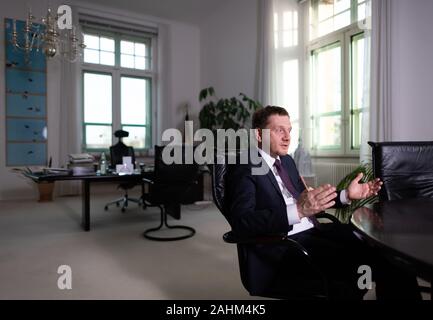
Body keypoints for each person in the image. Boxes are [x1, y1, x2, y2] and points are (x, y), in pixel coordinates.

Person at [225, 106, 421, 300]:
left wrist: (346, 195)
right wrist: (298, 211)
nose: (287, 137)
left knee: (388, 253)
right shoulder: (244, 167)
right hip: (284, 246)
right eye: (279, 130)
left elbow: (311, 201)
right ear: (259, 135)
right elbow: (242, 222)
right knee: (355, 267)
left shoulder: (287, 162)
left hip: (315, 231)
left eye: (289, 130)